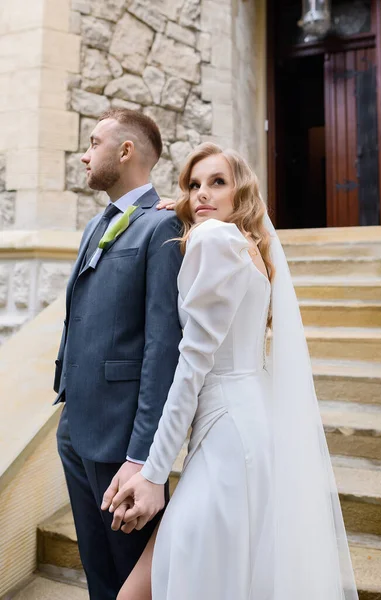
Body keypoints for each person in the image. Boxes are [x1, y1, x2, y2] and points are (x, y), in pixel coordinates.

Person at [103, 143, 359, 600]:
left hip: (227, 439)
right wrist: (186, 214)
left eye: (217, 183)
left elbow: (193, 363)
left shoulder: (213, 240)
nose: (202, 194)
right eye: (193, 185)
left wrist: (154, 472)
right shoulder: (249, 249)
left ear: (241, 191)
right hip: (250, 425)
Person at [54, 108, 183, 599]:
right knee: (98, 570)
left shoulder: (162, 227)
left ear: (125, 151)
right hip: (75, 427)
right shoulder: (94, 226)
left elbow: (162, 347)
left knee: (134, 577)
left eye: (93, 142)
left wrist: (143, 456)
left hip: (122, 439)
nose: (84, 155)